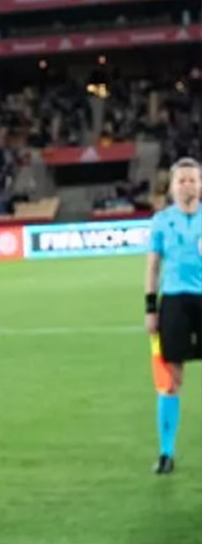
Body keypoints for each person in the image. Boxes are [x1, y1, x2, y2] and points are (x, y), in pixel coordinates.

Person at [145, 156, 202, 475]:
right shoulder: (162, 220)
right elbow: (153, 266)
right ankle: (166, 453)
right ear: (171, 187)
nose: (187, 185)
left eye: (193, 179)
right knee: (171, 380)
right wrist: (151, 308)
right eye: (182, 180)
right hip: (174, 304)